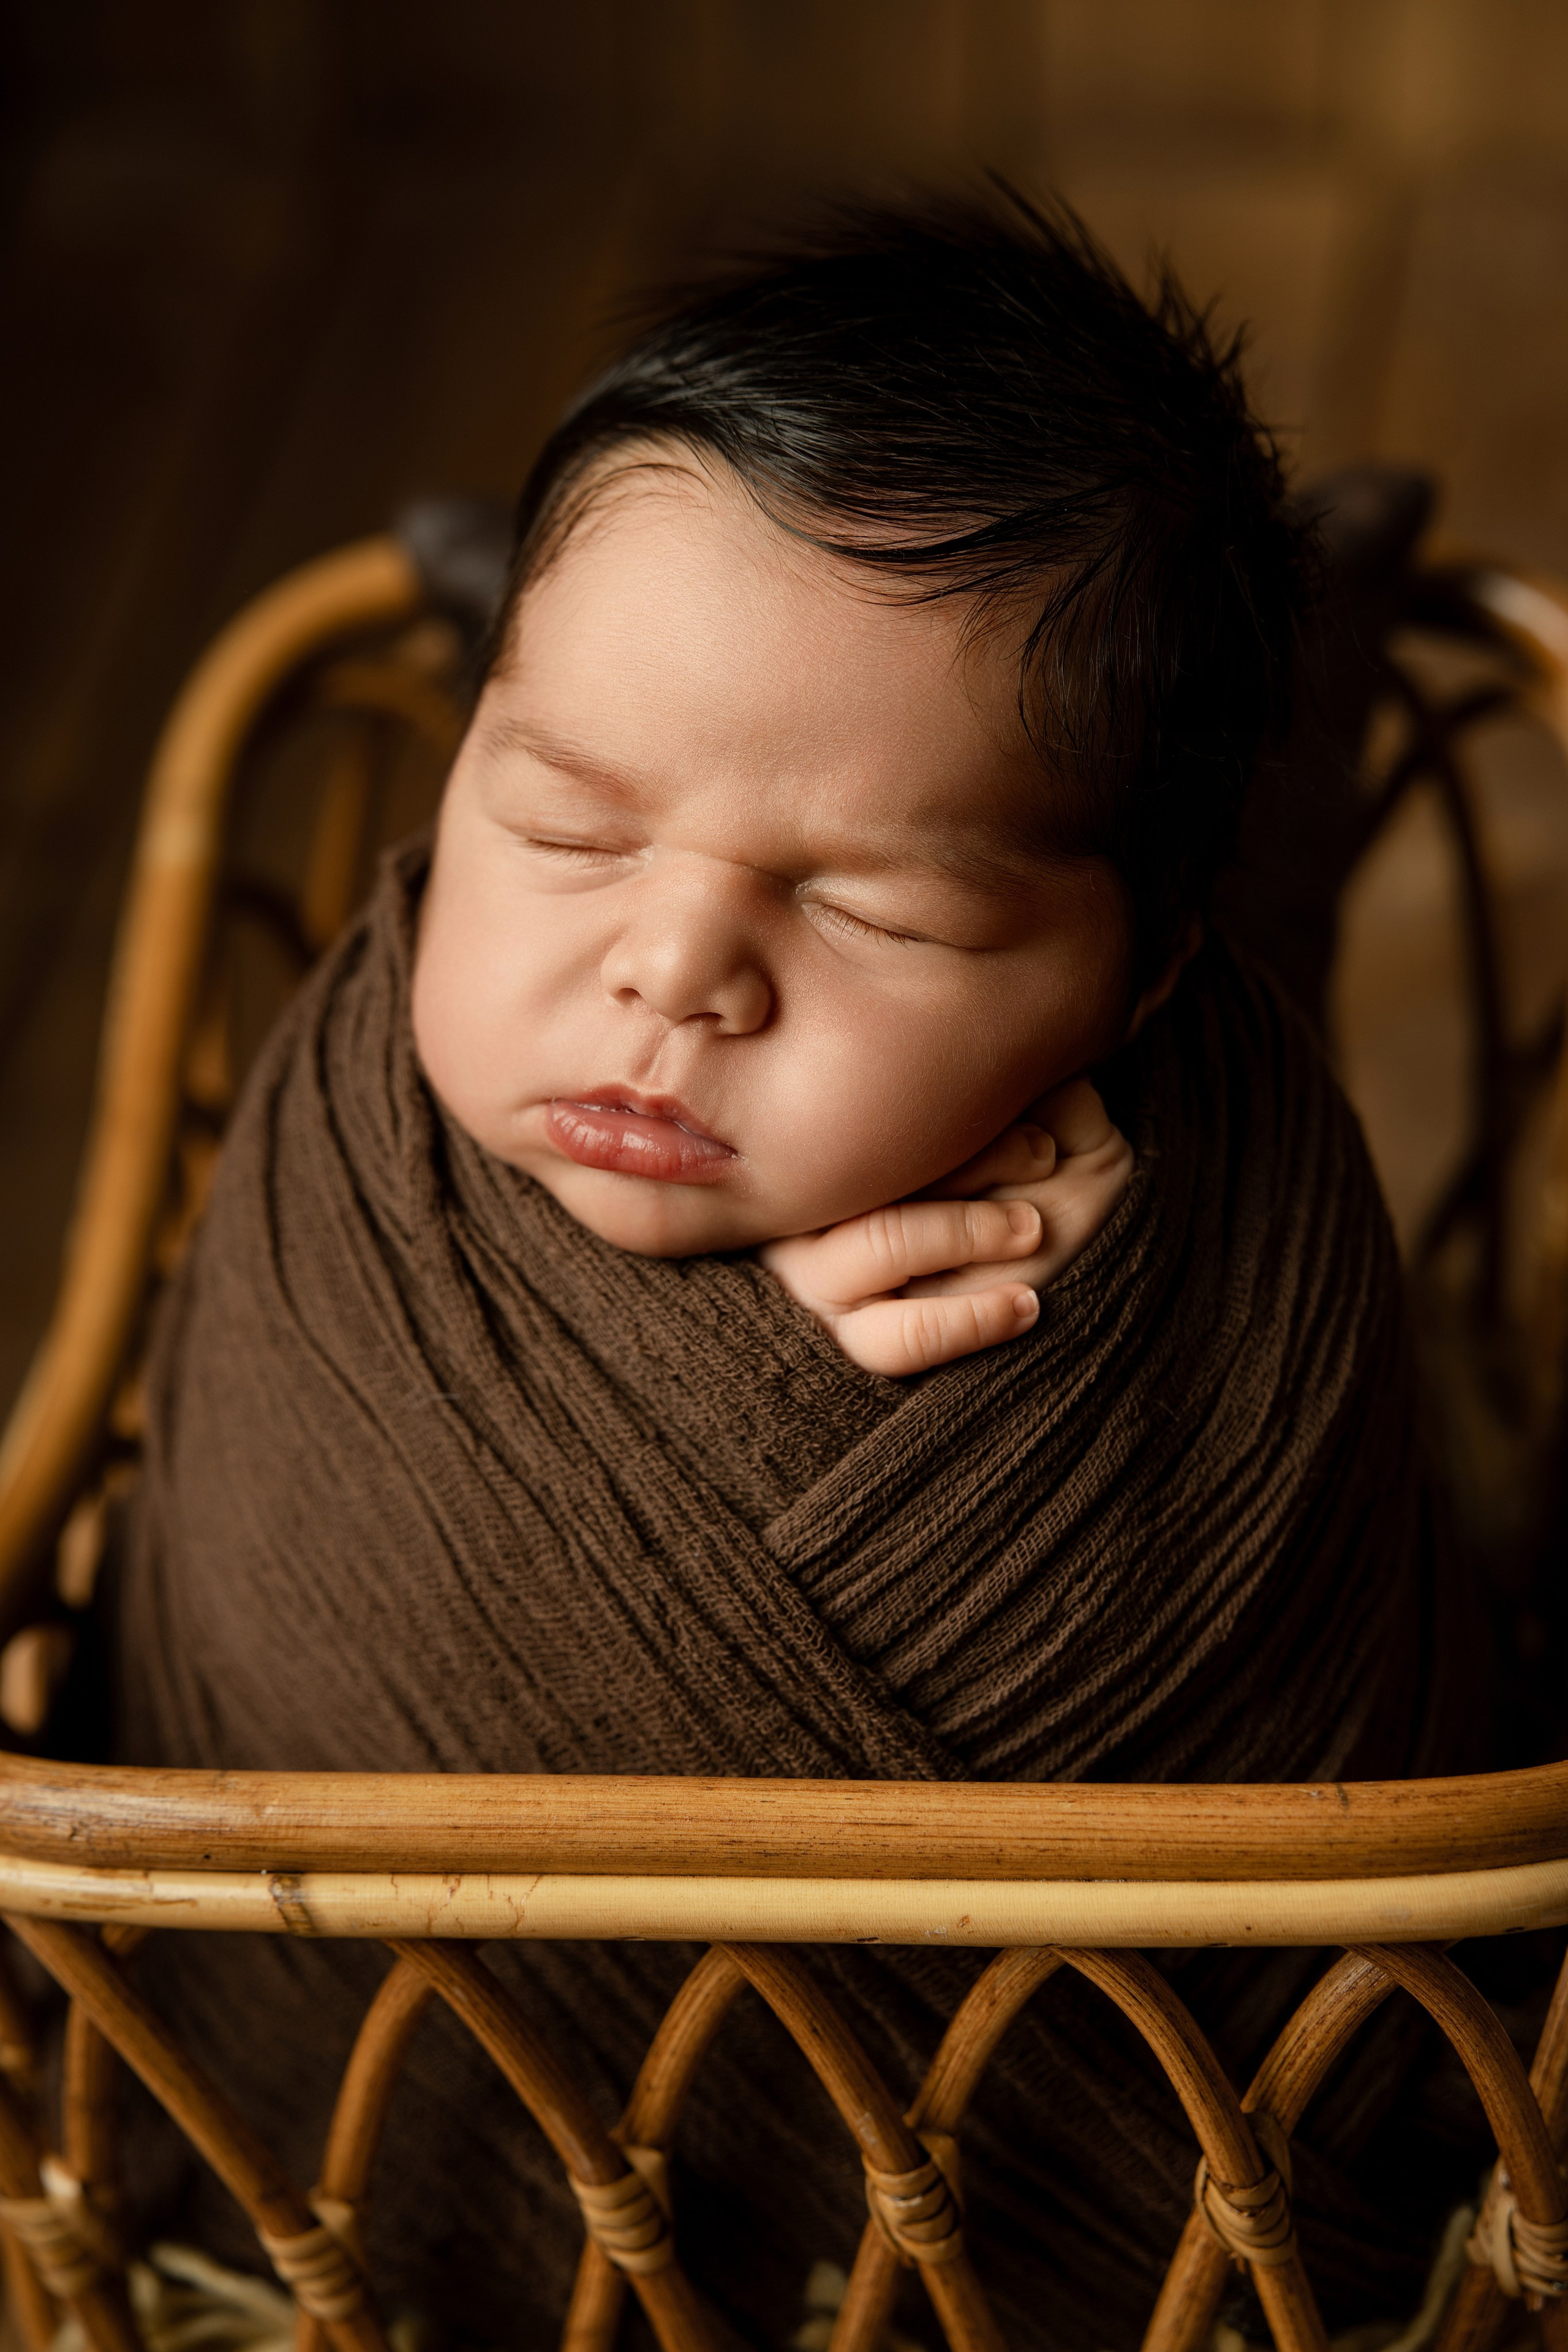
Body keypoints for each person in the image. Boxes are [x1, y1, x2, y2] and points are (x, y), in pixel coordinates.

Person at [112, 190, 1477, 2351]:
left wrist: (1064, 1393)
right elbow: (269, 1555)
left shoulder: (1198, 1192)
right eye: (562, 820)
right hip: (351, 2161)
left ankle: (1272, 770)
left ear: (1131, 995)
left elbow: (1272, 1665)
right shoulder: (360, 1124)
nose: (670, 969)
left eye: (888, 920)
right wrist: (746, 1368)